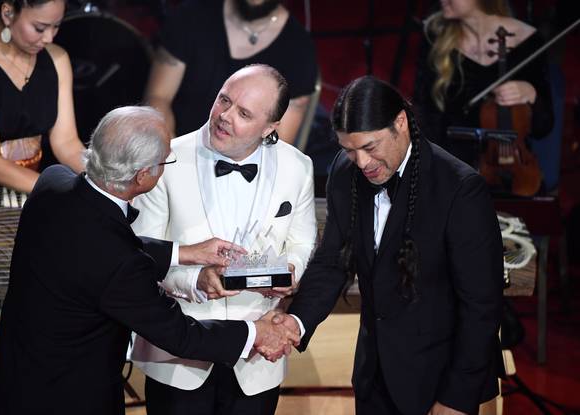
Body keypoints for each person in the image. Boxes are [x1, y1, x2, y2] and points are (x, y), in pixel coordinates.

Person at [0, 106, 299, 415]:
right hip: (68, 399)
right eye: (166, 160)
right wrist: (255, 332)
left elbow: (95, 247)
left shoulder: (52, 183)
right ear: (143, 176)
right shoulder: (122, 267)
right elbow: (180, 335)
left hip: (11, 385)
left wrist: (184, 252)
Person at [274, 76, 504, 414]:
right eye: (349, 150)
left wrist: (455, 398)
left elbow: (481, 307)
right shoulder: (344, 171)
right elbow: (333, 262)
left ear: (400, 122)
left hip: (442, 380)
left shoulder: (460, 189)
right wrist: (297, 321)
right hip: (375, 376)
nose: (362, 162)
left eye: (370, 147)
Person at [130, 65, 316, 415]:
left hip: (259, 356)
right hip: (179, 357)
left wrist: (291, 272)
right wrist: (195, 280)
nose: (225, 116)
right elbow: (141, 253)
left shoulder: (298, 167)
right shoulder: (166, 158)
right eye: (223, 101)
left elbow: (303, 241)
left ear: (270, 127)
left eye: (244, 113)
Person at [145, 0, 317, 144]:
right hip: (173, 146)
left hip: (239, 168)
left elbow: (279, 140)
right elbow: (158, 97)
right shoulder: (192, 14)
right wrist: (172, 155)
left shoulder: (300, 50)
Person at [0, 0, 85, 195]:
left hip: (31, 189)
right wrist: (67, 191)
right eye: (39, 28)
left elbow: (66, 142)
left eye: (56, 26)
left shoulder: (58, 59)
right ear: (7, 13)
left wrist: (102, 180)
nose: (49, 38)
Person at [413, 0, 553, 153]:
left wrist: (531, 94)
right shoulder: (435, 37)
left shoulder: (528, 41)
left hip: (511, 166)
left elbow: (543, 128)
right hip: (452, 164)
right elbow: (424, 113)